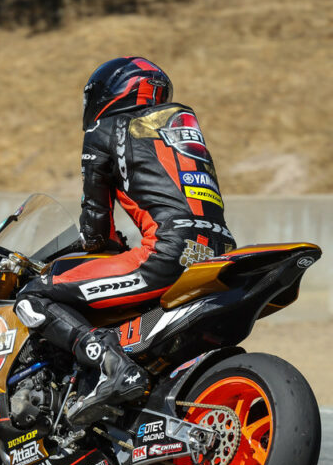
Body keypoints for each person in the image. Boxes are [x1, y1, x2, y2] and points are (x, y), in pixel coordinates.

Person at [14, 56, 236, 428]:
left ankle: (112, 366)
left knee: (36, 295)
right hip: (219, 251)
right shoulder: (179, 133)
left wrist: (78, 250)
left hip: (166, 254)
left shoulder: (104, 130)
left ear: (111, 92)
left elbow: (97, 227)